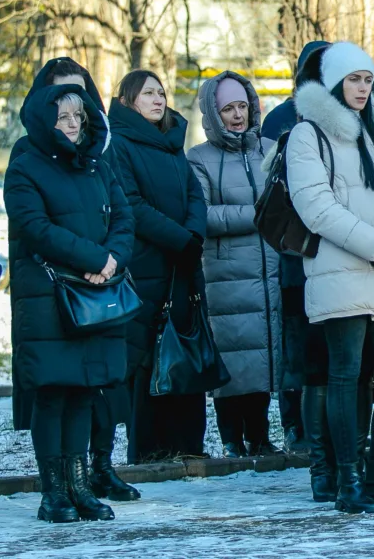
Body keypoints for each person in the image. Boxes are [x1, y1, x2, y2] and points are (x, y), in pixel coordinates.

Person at [283, 42, 374, 514]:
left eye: (368, 80)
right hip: (340, 270)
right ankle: (349, 479)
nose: (362, 89)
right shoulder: (307, 135)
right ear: (336, 81)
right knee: (347, 375)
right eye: (354, 79)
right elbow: (315, 205)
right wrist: (373, 245)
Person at [9, 58, 140, 502]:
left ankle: (81, 489)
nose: (70, 124)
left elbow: (124, 216)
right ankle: (54, 494)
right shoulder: (26, 163)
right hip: (49, 295)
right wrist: (93, 257)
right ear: (46, 118)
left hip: (96, 292)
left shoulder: (97, 164)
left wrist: (111, 260)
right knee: (53, 394)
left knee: (85, 392)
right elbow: (34, 226)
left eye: (78, 117)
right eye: (62, 116)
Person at [109, 70, 209, 464]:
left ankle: (187, 443)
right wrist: (179, 239)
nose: (158, 99)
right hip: (147, 267)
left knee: (187, 348)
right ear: (128, 100)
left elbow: (194, 195)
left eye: (161, 93)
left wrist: (193, 236)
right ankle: (149, 450)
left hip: (183, 266)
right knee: (149, 357)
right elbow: (131, 204)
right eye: (148, 93)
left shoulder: (172, 145)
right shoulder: (118, 146)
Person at [188, 72, 283, 458]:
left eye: (242, 105)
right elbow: (203, 215)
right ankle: (231, 437)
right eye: (228, 108)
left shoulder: (270, 150)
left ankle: (259, 436)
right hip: (224, 274)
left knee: (262, 355)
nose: (237, 115)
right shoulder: (198, 159)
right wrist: (258, 214)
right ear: (214, 113)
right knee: (231, 358)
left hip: (269, 268)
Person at [262, 41, 332, 493]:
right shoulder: (281, 122)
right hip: (299, 255)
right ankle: (304, 435)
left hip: (342, 258)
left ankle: (339, 447)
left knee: (334, 360)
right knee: (305, 357)